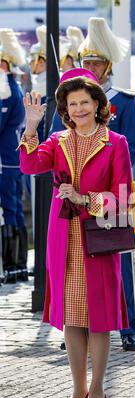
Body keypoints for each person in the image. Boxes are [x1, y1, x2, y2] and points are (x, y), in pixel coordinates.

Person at [19, 71, 132, 398]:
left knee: (98, 316)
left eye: (85, 101)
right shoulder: (56, 141)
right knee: (71, 316)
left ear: (99, 104)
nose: (80, 108)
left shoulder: (116, 142)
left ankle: (97, 390)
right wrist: (30, 126)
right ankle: (78, 389)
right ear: (65, 109)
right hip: (62, 239)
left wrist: (85, 199)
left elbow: (124, 198)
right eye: (73, 103)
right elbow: (28, 165)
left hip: (97, 240)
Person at [51, 17, 135, 352]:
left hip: (111, 193)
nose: (90, 67)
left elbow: (131, 149)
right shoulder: (69, 98)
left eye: (96, 62)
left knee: (118, 259)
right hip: (72, 199)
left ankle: (129, 325)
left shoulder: (126, 101)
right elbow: (54, 143)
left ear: (108, 64)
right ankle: (76, 323)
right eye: (86, 61)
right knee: (74, 267)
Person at [0, 28, 27, 283]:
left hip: (5, 159)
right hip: (10, 159)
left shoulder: (5, 91)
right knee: (14, 208)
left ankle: (11, 264)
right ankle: (15, 264)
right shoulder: (10, 88)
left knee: (10, 209)